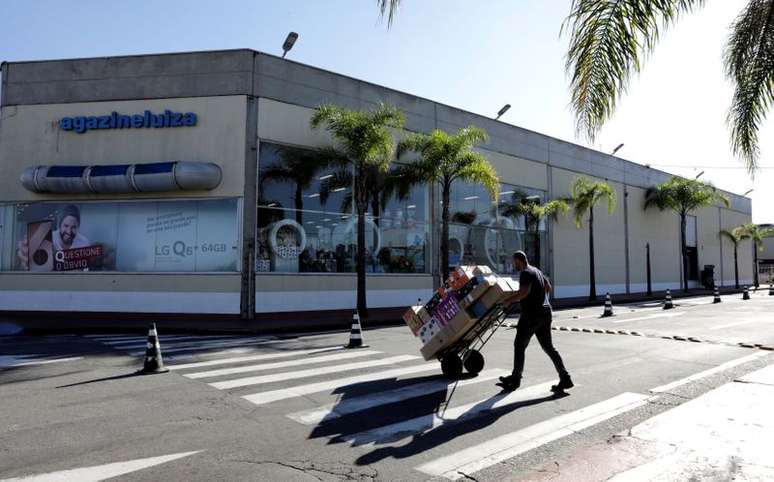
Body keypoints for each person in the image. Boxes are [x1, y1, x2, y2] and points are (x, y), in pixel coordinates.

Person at [498, 250, 573, 392]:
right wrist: (539, 299)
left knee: (519, 345)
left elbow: (524, 292)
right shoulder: (537, 271)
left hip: (531, 316)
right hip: (545, 313)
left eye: (514, 262)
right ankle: (565, 378)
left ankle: (515, 379)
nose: (513, 264)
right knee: (549, 347)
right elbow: (548, 287)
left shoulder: (525, 272)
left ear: (518, 260)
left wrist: (507, 301)